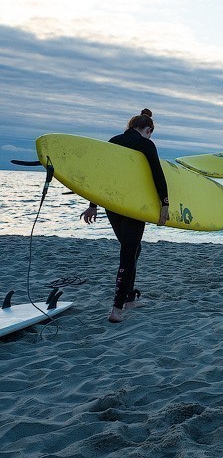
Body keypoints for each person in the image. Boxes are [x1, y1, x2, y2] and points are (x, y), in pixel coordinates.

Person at [80, 109, 168, 324]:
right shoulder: (146, 144)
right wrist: (164, 204)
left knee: (134, 248)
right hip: (133, 205)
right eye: (151, 133)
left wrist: (93, 205)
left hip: (112, 204)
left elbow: (102, 175)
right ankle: (117, 308)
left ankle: (129, 299)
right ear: (148, 130)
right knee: (128, 253)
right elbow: (158, 174)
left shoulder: (113, 141)